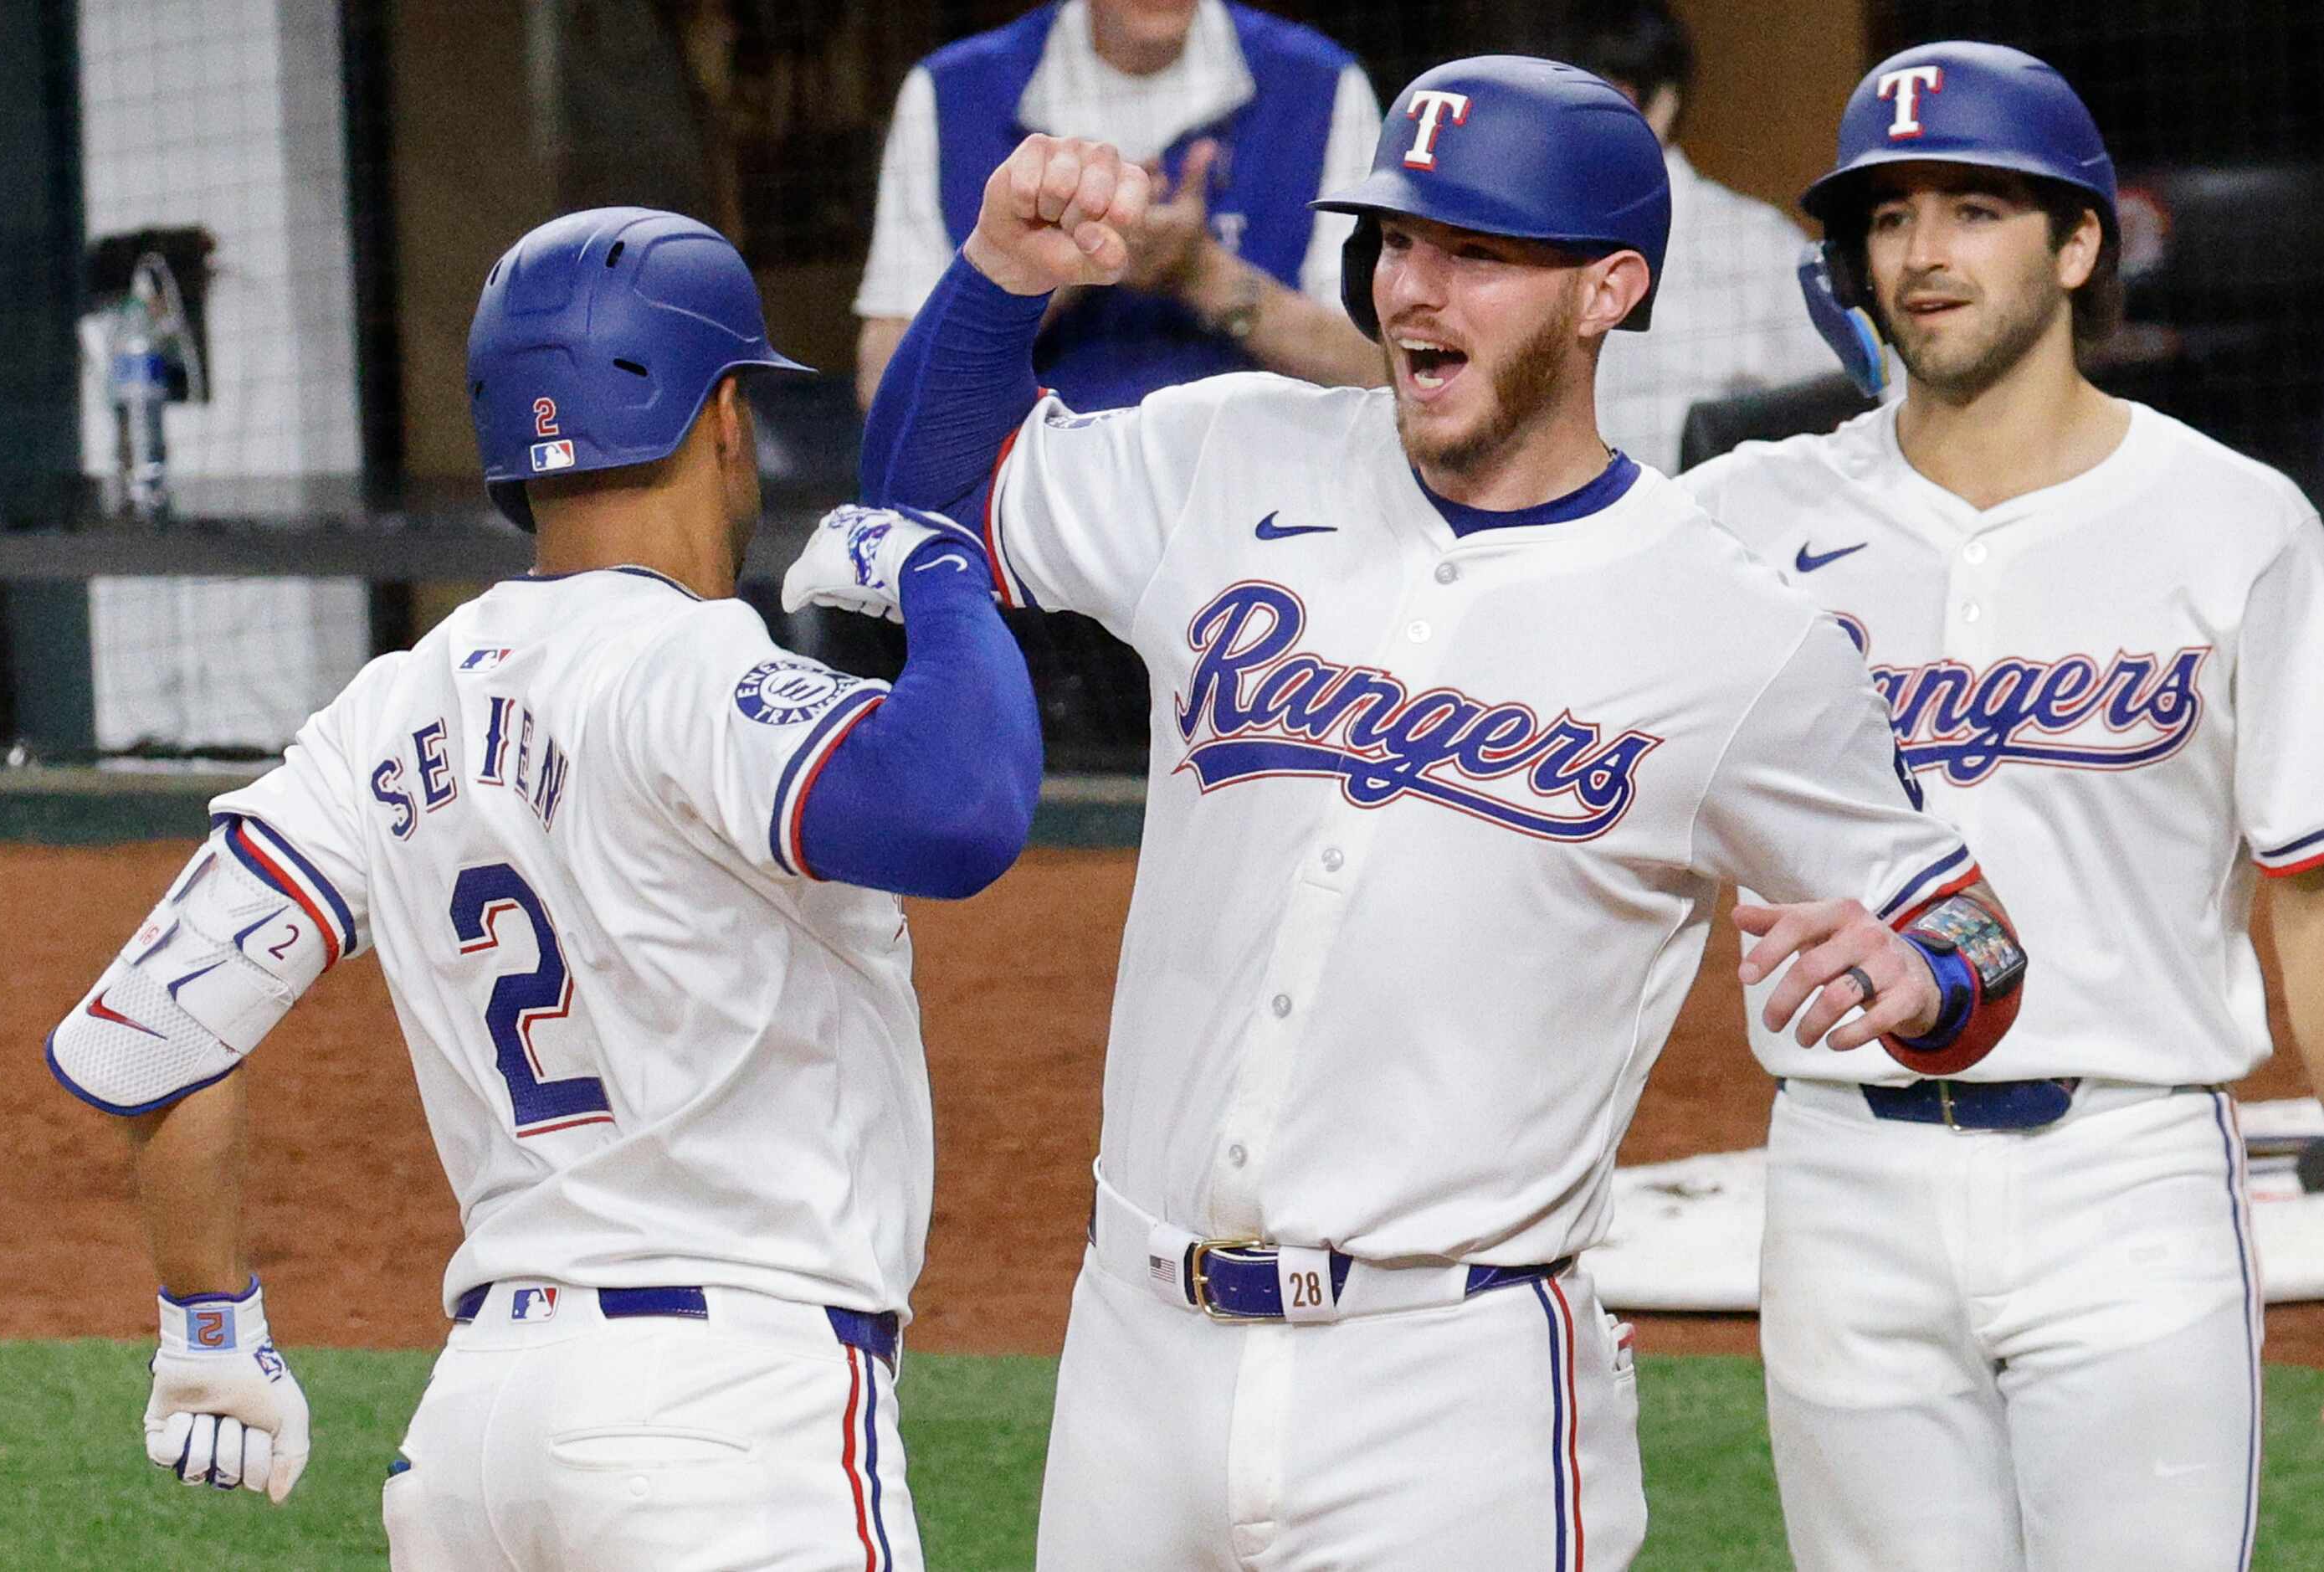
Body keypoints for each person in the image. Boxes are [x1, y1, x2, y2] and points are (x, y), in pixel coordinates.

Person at [810, 56, 2031, 1569]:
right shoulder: (1229, 453)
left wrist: (1929, 982)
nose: (1415, 289)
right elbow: (929, 489)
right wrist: (997, 275)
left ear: (1609, 290)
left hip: (1449, 1386)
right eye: (1397, 240)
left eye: (1477, 253)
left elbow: (1967, 926)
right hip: (1134, 1344)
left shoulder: (1732, 632)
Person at [44, 207, 1042, 1571]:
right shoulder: (690, 668)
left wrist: (207, 1322)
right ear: (725, 417)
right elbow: (958, 802)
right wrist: (941, 568)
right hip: (730, 1424)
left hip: (474, 1440)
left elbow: (151, 1033)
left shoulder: (382, 710)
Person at [1680, 44, 2324, 1571]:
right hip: (1840, 1169)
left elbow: (2304, 885)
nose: (1921, 253)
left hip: (2131, 1172)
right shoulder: (1740, 522)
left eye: (1973, 208)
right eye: (1888, 217)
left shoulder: (2235, 524)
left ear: (2078, 241)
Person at [852, 0, 1384, 411]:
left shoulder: (1322, 86)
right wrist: (1052, 270)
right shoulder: (951, 95)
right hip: (1029, 492)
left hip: (1257, 489)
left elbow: (1381, 370)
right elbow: (884, 387)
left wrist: (1203, 274)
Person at [1549, 0, 1834, 470]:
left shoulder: (1752, 241)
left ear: (1668, 99)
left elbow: (1838, 402)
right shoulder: (1528, 239)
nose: (1608, 120)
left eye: (1624, 95)